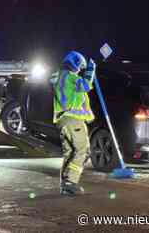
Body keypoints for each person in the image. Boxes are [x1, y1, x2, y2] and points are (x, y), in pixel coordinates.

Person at [51, 51, 96, 196]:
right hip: (72, 119)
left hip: (63, 120)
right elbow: (86, 85)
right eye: (80, 66)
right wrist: (91, 70)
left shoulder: (60, 77)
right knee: (83, 150)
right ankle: (70, 182)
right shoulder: (70, 77)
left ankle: (65, 185)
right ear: (74, 63)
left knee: (70, 152)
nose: (80, 70)